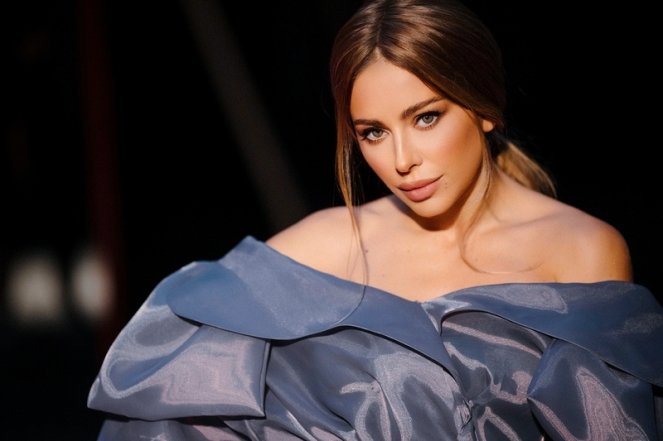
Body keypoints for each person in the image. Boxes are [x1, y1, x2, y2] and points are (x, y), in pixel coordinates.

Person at [87, 0, 663, 439]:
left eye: (426, 117)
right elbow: (164, 395)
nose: (402, 159)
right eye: (373, 132)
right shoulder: (326, 245)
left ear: (484, 107)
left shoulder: (580, 249)